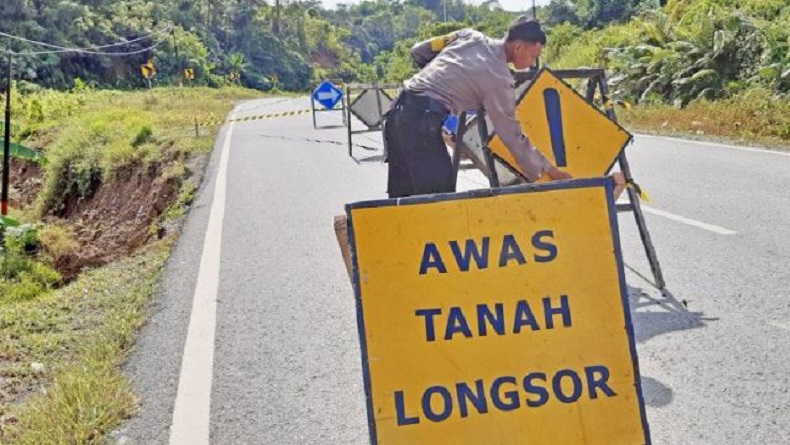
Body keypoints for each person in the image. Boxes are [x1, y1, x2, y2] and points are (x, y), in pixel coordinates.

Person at [383, 17, 572, 198]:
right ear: (518, 47)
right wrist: (548, 169)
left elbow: (419, 51)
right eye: (533, 56)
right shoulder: (499, 78)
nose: (532, 63)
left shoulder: (469, 36)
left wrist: (446, 79)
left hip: (396, 109)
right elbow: (511, 135)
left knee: (400, 200)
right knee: (439, 200)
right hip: (421, 122)